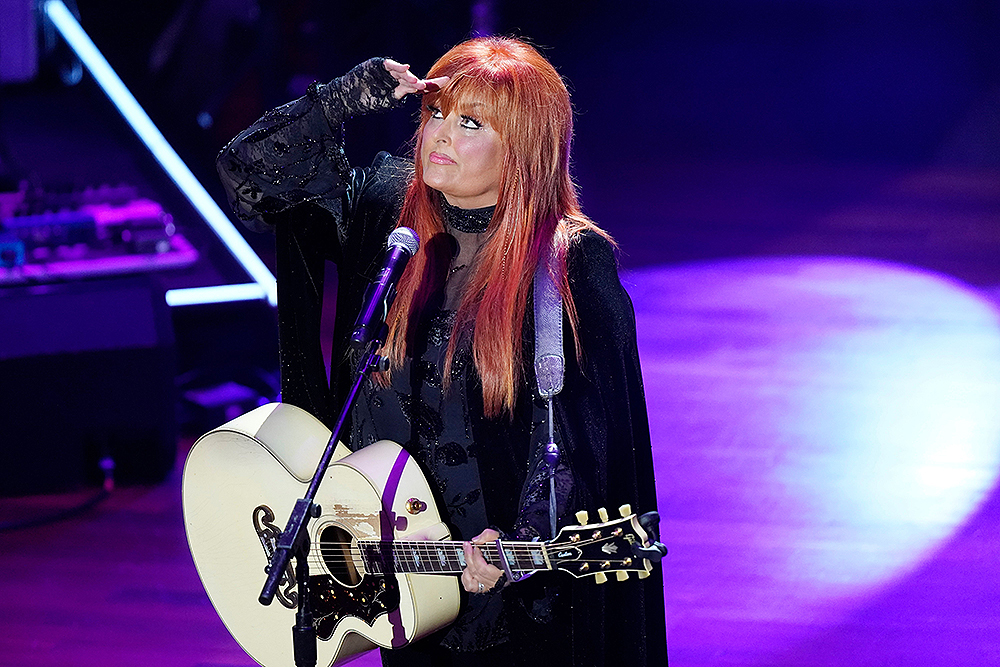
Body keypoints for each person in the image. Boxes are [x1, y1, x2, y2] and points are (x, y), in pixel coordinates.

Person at [217, 36, 666, 667]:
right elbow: (248, 173)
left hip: (516, 606)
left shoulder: (568, 266)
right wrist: (345, 97)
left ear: (524, 150)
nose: (440, 136)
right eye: (436, 115)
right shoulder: (383, 213)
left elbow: (587, 442)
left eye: (470, 123)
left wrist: (520, 540)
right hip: (400, 582)